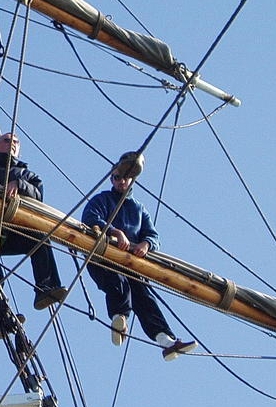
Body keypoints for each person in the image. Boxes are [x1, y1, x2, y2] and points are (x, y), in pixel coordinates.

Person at [81, 152, 197, 361]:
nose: (121, 181)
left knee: (145, 298)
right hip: (103, 257)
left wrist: (146, 244)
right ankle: (119, 318)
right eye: (117, 177)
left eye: (125, 177)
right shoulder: (102, 199)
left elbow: (153, 235)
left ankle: (166, 340)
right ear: (111, 178)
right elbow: (90, 218)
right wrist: (115, 232)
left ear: (132, 179)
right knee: (118, 283)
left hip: (130, 263)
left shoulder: (138, 209)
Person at [0, 133, 68, 336]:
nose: (12, 144)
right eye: (6, 140)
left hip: (11, 231)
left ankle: (46, 287)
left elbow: (38, 194)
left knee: (39, 237)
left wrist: (19, 184)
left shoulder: (27, 175)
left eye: (16, 142)